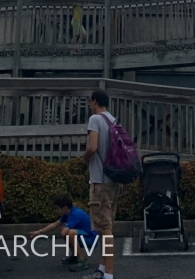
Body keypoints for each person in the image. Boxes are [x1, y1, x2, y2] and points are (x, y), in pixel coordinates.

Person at [83, 89, 120, 279]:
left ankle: (109, 275)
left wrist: (84, 158)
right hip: (114, 180)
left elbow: (93, 146)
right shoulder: (113, 120)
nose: (89, 105)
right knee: (107, 226)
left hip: (100, 181)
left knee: (104, 229)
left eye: (90, 101)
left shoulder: (95, 119)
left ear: (95, 101)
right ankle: (102, 269)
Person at [29, 192, 98, 272]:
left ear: (64, 208)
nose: (56, 211)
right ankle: (75, 256)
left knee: (70, 233)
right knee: (68, 232)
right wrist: (39, 232)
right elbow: (54, 225)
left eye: (57, 208)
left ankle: (83, 261)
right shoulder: (68, 212)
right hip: (84, 236)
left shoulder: (75, 214)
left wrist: (63, 228)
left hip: (91, 239)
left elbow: (63, 233)